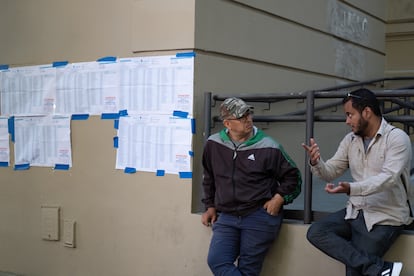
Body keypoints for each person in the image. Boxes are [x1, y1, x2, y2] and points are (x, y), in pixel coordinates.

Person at [302, 88, 413, 276]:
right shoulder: (350, 140)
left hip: (386, 215)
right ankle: (380, 269)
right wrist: (316, 162)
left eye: (350, 115)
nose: (347, 121)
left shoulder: (397, 138)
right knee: (316, 232)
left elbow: (388, 178)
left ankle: (375, 269)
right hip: (355, 212)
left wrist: (352, 188)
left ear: (367, 112)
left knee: (354, 271)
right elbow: (330, 172)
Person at [201, 97, 302, 276]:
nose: (247, 119)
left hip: (259, 216)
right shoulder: (213, 144)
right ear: (227, 123)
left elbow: (293, 178)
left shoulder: (269, 146)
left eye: (248, 114)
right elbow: (209, 176)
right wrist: (210, 206)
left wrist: (278, 199)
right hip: (227, 216)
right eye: (241, 117)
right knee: (216, 260)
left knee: (249, 268)